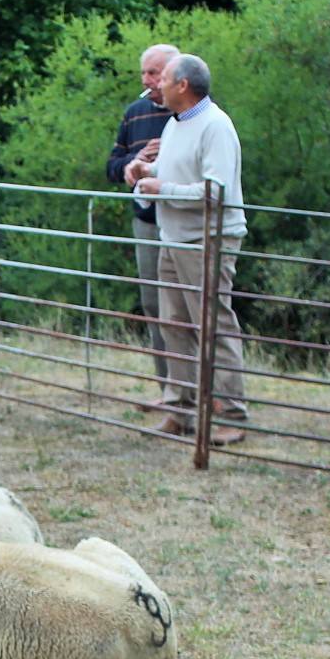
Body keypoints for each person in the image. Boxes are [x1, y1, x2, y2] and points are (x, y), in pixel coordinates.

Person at [123, 53, 250, 445]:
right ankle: (180, 408)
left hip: (207, 240)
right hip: (174, 237)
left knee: (213, 324)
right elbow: (179, 171)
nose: (155, 85)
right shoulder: (177, 124)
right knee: (174, 324)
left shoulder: (216, 126)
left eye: (164, 79)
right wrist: (147, 172)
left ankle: (230, 413)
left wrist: (165, 190)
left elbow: (215, 190)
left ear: (183, 86)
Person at [105, 43, 180, 411]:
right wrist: (134, 162)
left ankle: (203, 392)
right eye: (145, 73)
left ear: (174, 77)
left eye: (155, 73)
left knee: (188, 306)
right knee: (153, 304)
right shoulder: (134, 113)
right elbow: (111, 164)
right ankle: (168, 389)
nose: (148, 80)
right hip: (146, 222)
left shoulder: (194, 114)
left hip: (185, 222)